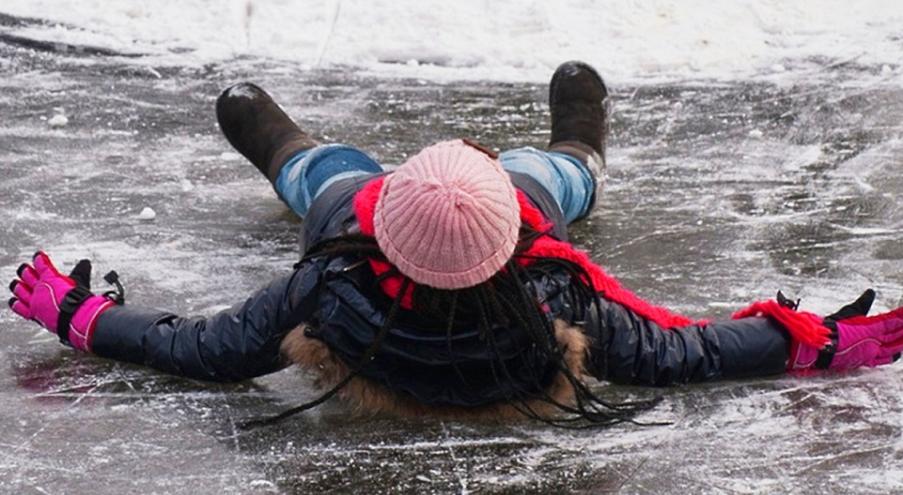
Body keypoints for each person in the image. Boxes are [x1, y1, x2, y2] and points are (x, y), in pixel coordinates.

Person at [8, 62, 903, 427]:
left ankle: (280, 143)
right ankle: (579, 144)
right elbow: (687, 351)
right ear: (509, 240)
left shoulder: (333, 277)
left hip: (359, 222)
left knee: (328, 177)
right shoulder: (556, 295)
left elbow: (205, 350)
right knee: (547, 176)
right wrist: (812, 340)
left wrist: (82, 315)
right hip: (496, 221)